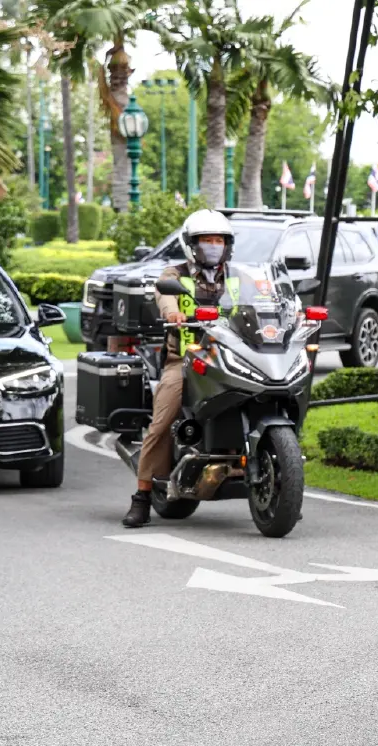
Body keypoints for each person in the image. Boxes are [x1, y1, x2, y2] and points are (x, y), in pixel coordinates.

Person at [122, 209, 237, 528]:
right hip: (185, 362)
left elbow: (265, 297)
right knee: (162, 422)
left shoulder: (241, 276)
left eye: (219, 241)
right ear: (192, 245)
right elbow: (164, 292)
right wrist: (172, 314)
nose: (213, 246)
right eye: (206, 241)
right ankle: (142, 497)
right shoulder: (175, 275)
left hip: (231, 361)